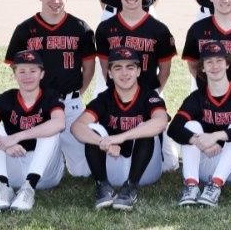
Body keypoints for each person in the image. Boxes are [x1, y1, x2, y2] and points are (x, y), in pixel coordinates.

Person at [4, 0, 96, 177]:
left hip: (70, 105)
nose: (55, 1)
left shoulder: (80, 28)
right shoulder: (25, 29)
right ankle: (53, 157)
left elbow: (89, 67)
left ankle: (63, 154)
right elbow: (16, 67)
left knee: (83, 172)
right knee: (40, 171)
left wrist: (78, 93)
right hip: (38, 108)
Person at [71, 47, 168, 211]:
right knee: (92, 129)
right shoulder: (104, 98)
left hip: (145, 170)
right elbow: (77, 127)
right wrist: (102, 141)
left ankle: (131, 187)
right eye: (118, 68)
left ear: (138, 71)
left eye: (130, 67)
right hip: (112, 164)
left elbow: (161, 121)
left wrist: (120, 138)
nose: (124, 73)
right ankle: (102, 185)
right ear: (109, 73)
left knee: (146, 128)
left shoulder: (149, 96)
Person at [0, 50, 66, 212]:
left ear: (42, 74)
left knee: (51, 130)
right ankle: (2, 187)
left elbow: (59, 123)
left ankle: (28, 189)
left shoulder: (50, 96)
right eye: (21, 71)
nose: (27, 76)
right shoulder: (6, 98)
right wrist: (5, 145)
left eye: (33, 71)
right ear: (14, 74)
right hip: (14, 170)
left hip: (45, 173)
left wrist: (17, 137)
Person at [167, 42, 231, 207]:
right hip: (207, 159)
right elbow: (174, 128)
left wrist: (215, 136)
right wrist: (200, 142)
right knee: (191, 127)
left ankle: (216, 186)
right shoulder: (197, 97)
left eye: (219, 60)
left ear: (227, 63)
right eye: (209, 62)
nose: (214, 66)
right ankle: (191, 185)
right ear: (202, 68)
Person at [94, 0, 178, 96]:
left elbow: (165, 71)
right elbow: (105, 68)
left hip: (148, 94)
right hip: (117, 95)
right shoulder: (104, 28)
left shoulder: (160, 30)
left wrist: (153, 94)